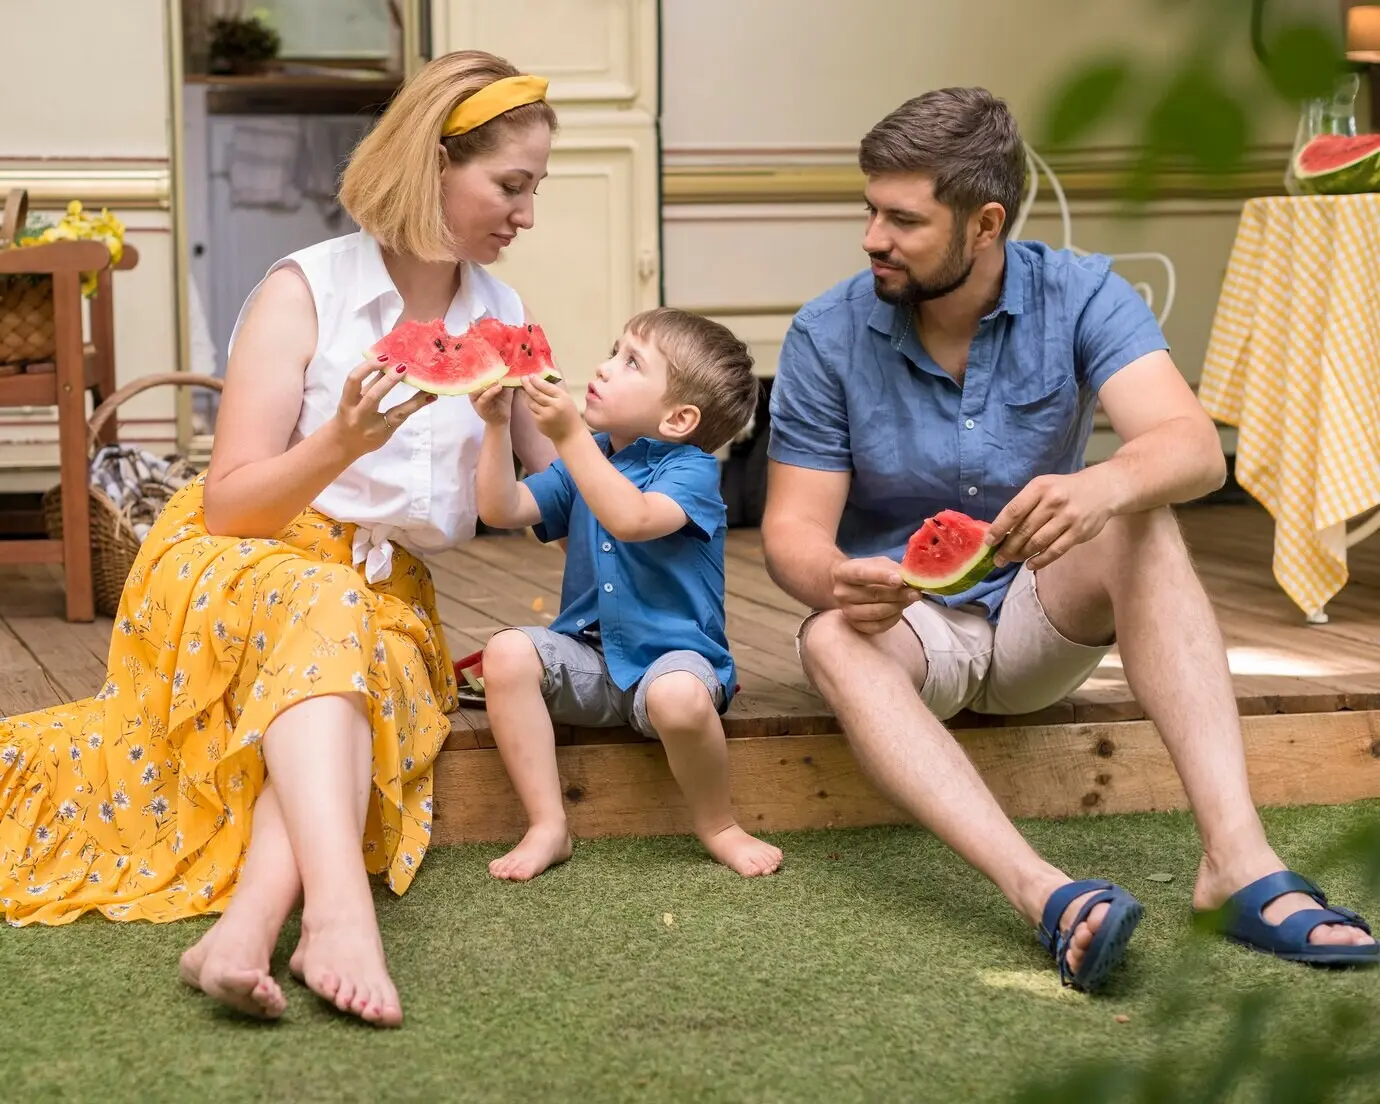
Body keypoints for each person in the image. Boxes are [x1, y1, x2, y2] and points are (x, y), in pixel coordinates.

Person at [762, 87, 1378, 992]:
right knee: (826, 636)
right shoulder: (827, 331)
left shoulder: (1082, 293)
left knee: (1144, 516)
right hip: (907, 630)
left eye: (902, 218)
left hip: (1033, 617)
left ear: (985, 223)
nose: (872, 238)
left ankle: (1236, 863)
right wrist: (836, 576)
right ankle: (1046, 893)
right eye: (869, 210)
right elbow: (791, 531)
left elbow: (1193, 448)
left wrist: (1105, 485)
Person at [0, 51, 562, 1025]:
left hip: (384, 589)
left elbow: (514, 500)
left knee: (345, 640)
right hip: (244, 558)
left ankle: (247, 929)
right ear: (434, 165)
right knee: (324, 604)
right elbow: (230, 506)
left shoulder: (501, 315)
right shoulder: (305, 289)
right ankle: (341, 917)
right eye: (511, 185)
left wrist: (596, 447)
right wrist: (341, 439)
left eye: (534, 189)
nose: (526, 213)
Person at [470, 307, 782, 881]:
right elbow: (500, 509)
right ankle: (547, 824)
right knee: (506, 653)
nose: (605, 367)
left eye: (631, 362)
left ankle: (719, 825)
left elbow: (633, 517)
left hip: (674, 664)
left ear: (679, 417)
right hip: (590, 661)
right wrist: (495, 429)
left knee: (677, 699)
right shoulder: (586, 458)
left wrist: (565, 436)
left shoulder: (690, 471)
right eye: (615, 350)